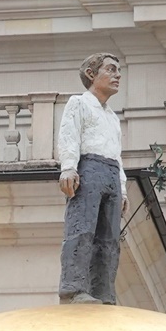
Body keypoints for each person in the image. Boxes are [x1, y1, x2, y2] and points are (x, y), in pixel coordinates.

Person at [57, 53, 128, 304]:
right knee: (82, 229)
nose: (117, 75)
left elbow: (117, 154)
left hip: (110, 171)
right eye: (110, 70)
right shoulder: (79, 103)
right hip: (88, 168)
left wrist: (123, 188)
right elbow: (69, 136)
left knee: (109, 238)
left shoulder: (112, 117)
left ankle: (104, 292)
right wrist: (68, 167)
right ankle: (73, 288)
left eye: (118, 70)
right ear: (91, 74)